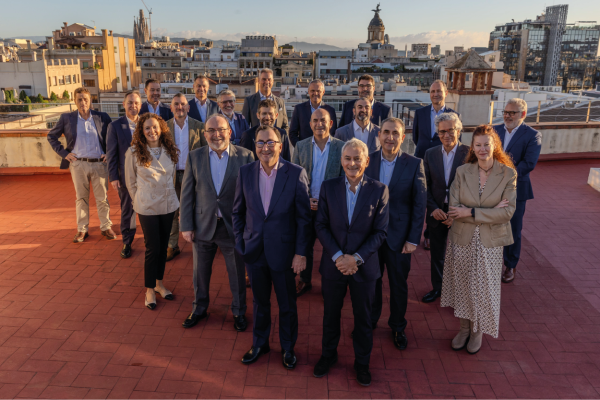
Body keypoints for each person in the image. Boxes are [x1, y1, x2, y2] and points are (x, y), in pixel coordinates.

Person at [232, 125, 311, 369]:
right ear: (254, 145)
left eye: (270, 142)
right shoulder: (245, 172)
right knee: (259, 303)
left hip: (284, 254)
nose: (265, 148)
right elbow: (237, 212)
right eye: (260, 142)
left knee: (287, 304)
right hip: (254, 252)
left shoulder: (295, 173)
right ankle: (260, 343)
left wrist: (300, 253)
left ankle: (288, 348)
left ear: (280, 145)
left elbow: (304, 219)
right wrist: (241, 243)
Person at [313, 138, 389, 387]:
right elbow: (321, 225)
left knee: (363, 319)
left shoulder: (379, 189)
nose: (352, 163)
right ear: (341, 160)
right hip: (333, 265)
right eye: (348, 158)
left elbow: (380, 232)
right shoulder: (328, 187)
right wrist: (338, 257)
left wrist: (355, 259)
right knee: (330, 315)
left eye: (358, 159)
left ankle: (362, 363)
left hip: (364, 267)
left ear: (367, 161)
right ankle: (328, 355)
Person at [442, 124, 517, 354]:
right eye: (478, 145)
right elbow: (454, 208)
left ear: (495, 146)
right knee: (463, 285)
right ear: (472, 148)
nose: (482, 149)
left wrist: (471, 211)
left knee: (483, 289)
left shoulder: (508, 174)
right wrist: (490, 211)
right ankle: (464, 329)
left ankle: (477, 331)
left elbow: (507, 213)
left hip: (489, 243)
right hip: (462, 239)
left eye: (487, 144)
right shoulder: (462, 171)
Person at [179, 115, 255, 330]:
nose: (216, 134)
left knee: (237, 274)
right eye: (211, 130)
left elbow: (252, 196)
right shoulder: (195, 157)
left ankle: (239, 311)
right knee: (200, 273)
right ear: (205, 134)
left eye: (221, 129)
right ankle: (199, 308)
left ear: (230, 132)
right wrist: (186, 225)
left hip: (233, 227)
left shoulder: (246, 156)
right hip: (202, 225)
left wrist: (249, 227)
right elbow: (187, 194)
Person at [365, 118, 426, 351]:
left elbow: (419, 204)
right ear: (379, 135)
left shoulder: (414, 164)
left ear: (403, 137)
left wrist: (412, 239)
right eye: (386, 132)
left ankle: (398, 326)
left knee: (398, 284)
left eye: (395, 133)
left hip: (400, 239)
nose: (390, 137)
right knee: (372, 281)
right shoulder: (367, 160)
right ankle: (370, 320)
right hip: (371, 236)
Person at [124, 113, 180, 310]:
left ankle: (159, 283)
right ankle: (149, 289)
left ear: (161, 128)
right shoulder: (133, 152)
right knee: (152, 248)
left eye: (155, 127)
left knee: (163, 247)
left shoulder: (170, 150)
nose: (151, 131)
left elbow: (172, 178)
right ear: (141, 131)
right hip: (147, 206)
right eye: (147, 128)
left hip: (167, 204)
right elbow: (130, 182)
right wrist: (140, 199)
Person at [47, 87, 115, 243]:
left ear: (90, 100)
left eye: (85, 99)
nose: (83, 102)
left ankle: (106, 227)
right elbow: (52, 136)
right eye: (79, 99)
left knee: (102, 198)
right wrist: (64, 154)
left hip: (99, 164)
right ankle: (82, 230)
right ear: (74, 101)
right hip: (78, 165)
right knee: (81, 198)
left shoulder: (102, 117)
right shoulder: (67, 118)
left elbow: (113, 137)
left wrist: (108, 153)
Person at [291, 108, 345, 296]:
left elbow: (343, 180)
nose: (319, 124)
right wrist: (306, 200)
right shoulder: (301, 146)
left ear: (331, 124)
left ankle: (330, 283)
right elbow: (295, 179)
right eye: (315, 120)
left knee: (332, 247)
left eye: (323, 120)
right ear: (310, 124)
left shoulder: (341, 147)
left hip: (331, 209)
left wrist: (325, 203)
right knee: (305, 245)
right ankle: (305, 280)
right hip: (307, 207)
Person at [421, 113, 470, 303]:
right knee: (437, 254)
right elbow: (424, 184)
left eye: (450, 130)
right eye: (442, 131)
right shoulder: (430, 153)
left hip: (461, 212)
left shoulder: (470, 154)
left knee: (461, 255)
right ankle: (438, 289)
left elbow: (473, 188)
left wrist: (457, 212)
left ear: (459, 130)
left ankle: (460, 293)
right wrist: (433, 208)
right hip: (437, 211)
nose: (446, 135)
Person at [493, 98, 542, 283]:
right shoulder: (494, 130)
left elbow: (529, 163)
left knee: (513, 229)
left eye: (512, 113)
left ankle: (510, 265)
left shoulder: (533, 135)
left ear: (523, 114)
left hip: (516, 190)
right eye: (505, 112)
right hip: (492, 187)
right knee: (491, 224)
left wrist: (504, 175)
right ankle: (492, 261)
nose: (507, 116)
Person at [412, 80, 460, 250]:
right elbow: (416, 137)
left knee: (439, 194)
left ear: (445, 93)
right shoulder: (420, 113)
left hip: (443, 161)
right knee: (422, 195)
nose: (436, 94)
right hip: (423, 160)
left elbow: (456, 139)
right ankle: (420, 232)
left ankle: (430, 235)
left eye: (439, 91)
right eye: (432, 91)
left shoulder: (454, 114)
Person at [165, 93, 208, 261]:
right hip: (172, 176)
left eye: (182, 104)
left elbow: (206, 151)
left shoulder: (199, 126)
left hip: (193, 176)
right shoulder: (164, 127)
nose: (179, 107)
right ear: (171, 108)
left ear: (188, 107)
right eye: (176, 104)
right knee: (172, 211)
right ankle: (172, 245)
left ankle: (200, 242)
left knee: (196, 209)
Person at [106, 90, 142, 258]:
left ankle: (150, 239)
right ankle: (127, 242)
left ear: (140, 105)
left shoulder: (147, 123)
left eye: (136, 103)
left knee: (148, 208)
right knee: (128, 210)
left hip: (146, 176)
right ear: (124, 105)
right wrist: (113, 177)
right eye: (130, 103)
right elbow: (111, 154)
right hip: (126, 177)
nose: (133, 106)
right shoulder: (115, 126)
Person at [288, 79, 337, 146]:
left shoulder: (330, 110)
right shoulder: (299, 109)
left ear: (323, 92)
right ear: (308, 91)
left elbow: (333, 133)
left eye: (318, 91)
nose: (315, 93)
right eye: (312, 91)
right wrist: (300, 148)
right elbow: (292, 133)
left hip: (325, 149)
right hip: (305, 150)